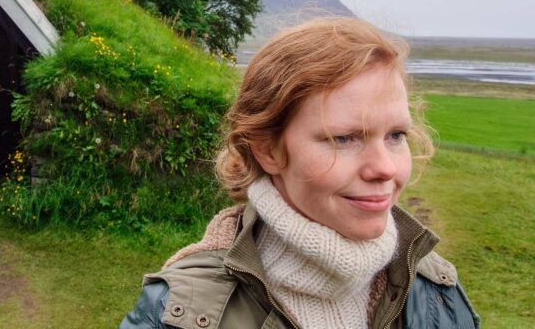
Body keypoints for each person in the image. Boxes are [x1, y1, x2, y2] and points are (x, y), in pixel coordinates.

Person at [119, 17, 479, 328]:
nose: (385, 168)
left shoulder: (435, 290)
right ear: (269, 150)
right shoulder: (178, 313)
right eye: (343, 138)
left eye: (396, 135)